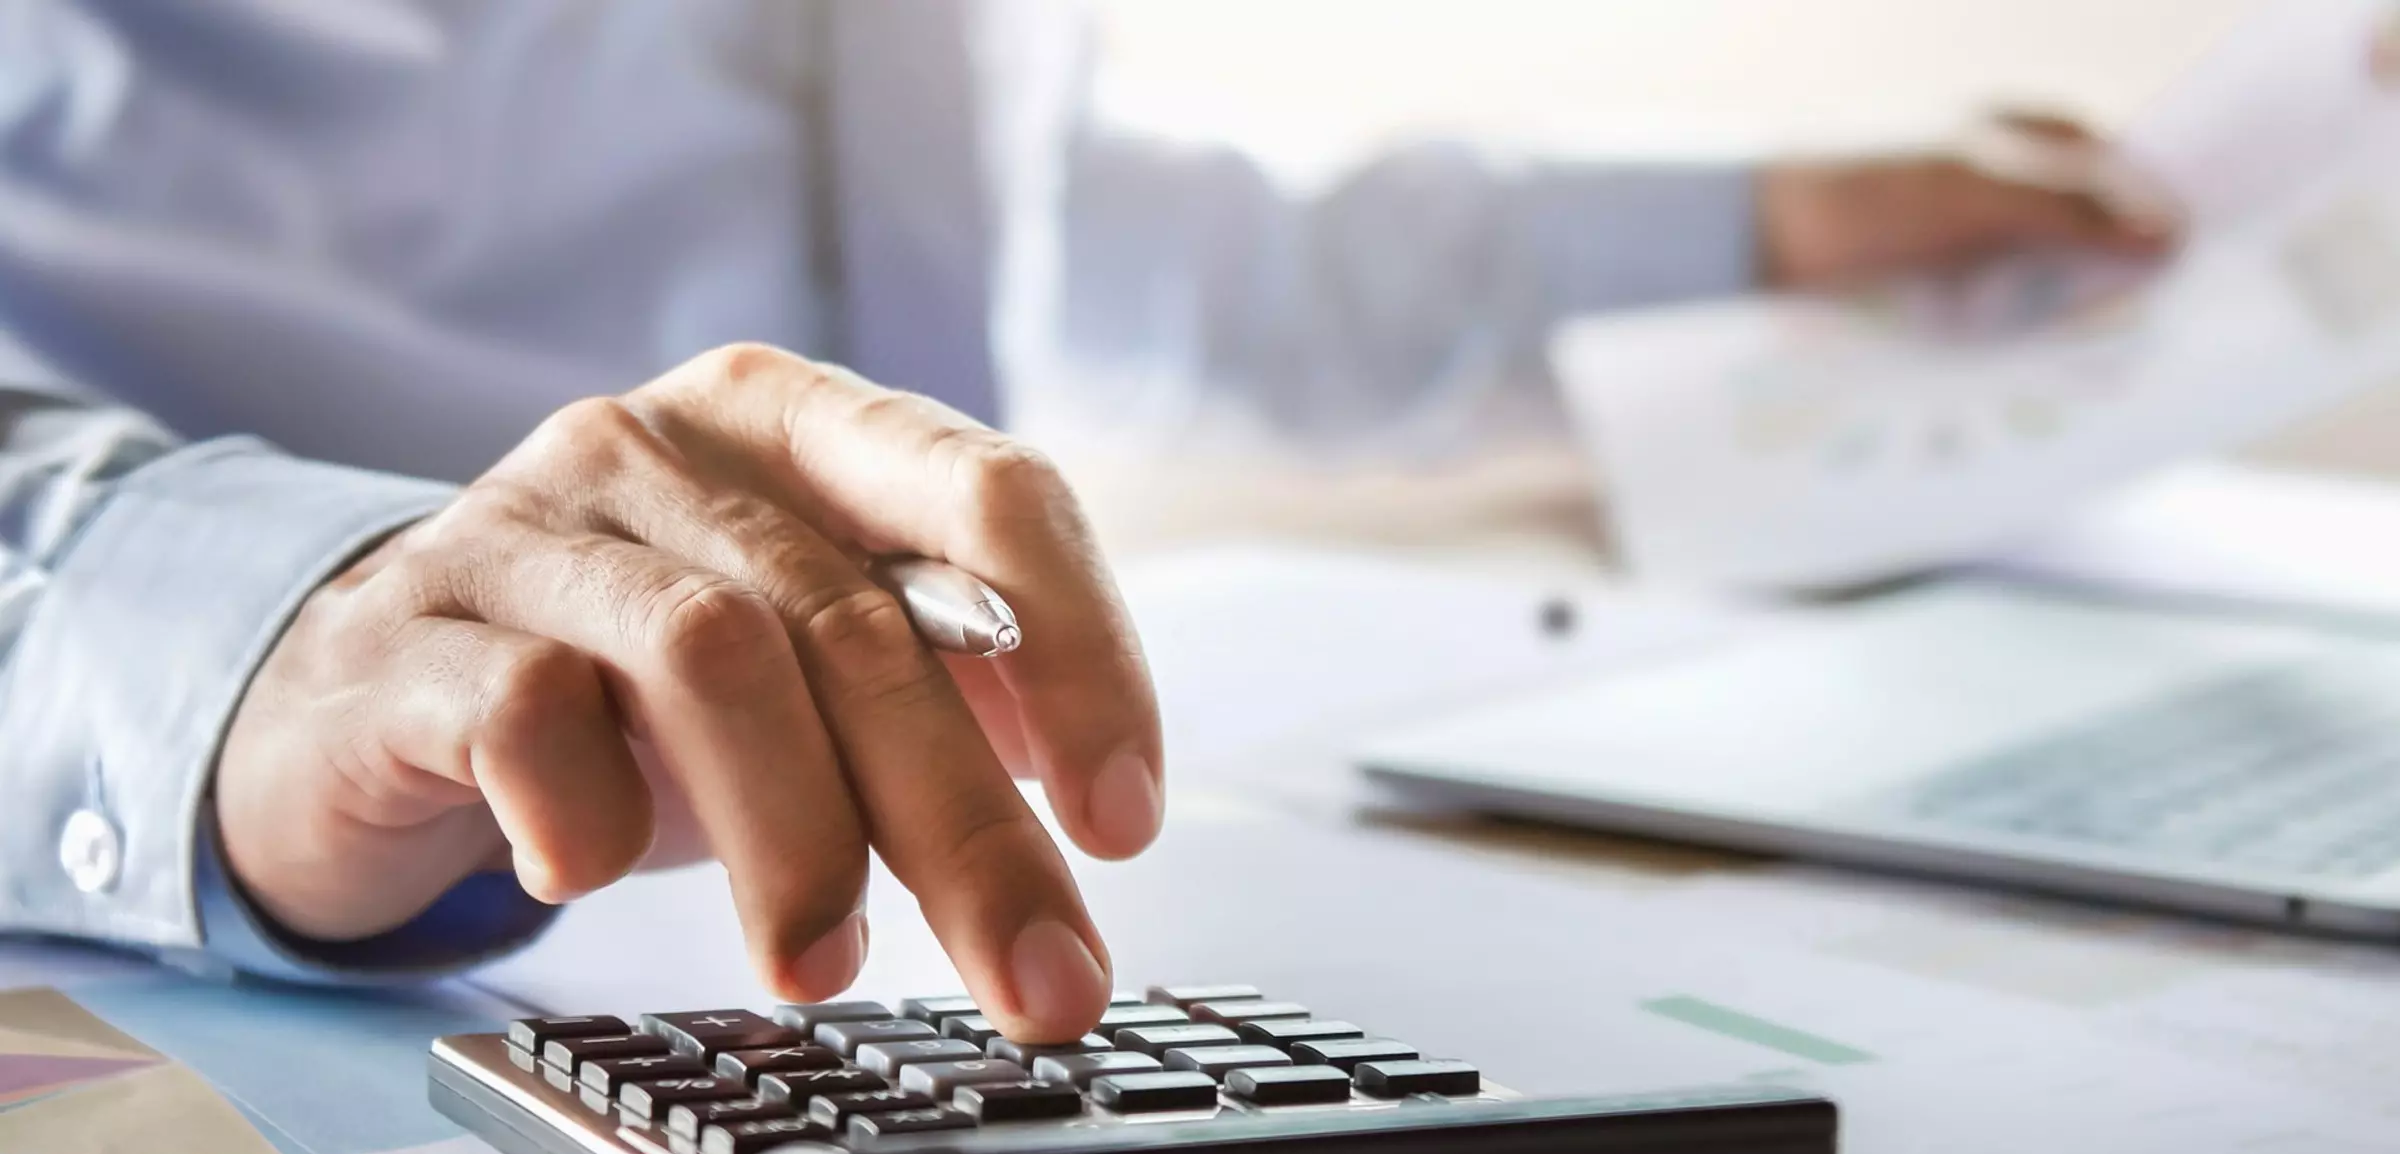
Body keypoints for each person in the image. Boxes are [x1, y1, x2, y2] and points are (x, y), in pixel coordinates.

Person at [0, 2, 2175, 1042]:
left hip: (772, 987)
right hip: (173, 956)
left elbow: (1075, 245)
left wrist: (1763, 226)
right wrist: (266, 650)